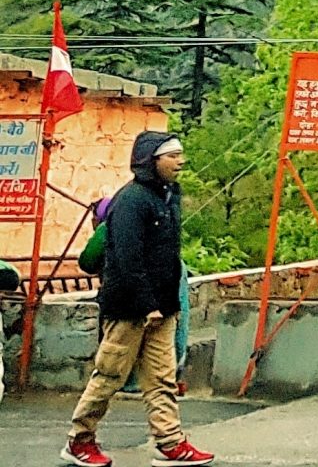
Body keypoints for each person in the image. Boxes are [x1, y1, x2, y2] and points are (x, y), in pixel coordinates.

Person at [64, 131, 213, 467]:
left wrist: (166, 305)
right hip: (130, 309)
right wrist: (147, 305)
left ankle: (170, 441)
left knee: (163, 379)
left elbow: (168, 255)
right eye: (173, 155)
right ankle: (80, 439)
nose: (181, 161)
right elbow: (127, 259)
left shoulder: (170, 195)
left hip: (163, 308)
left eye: (180, 154)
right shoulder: (131, 200)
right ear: (152, 160)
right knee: (110, 375)